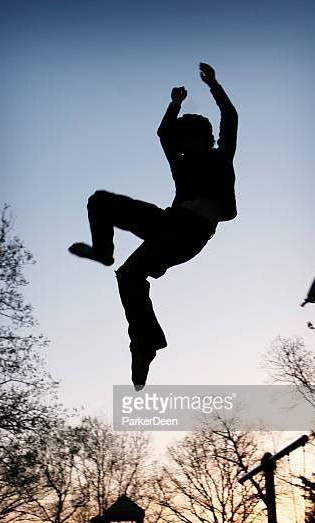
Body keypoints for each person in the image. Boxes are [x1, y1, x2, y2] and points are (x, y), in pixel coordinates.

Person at [69, 63, 238, 390]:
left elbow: (230, 117)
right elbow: (164, 134)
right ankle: (104, 252)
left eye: (192, 140)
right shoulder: (182, 163)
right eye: (184, 142)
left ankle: (143, 343)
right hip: (167, 221)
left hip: (190, 232)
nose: (186, 147)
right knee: (101, 201)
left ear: (207, 139)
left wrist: (213, 84)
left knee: (131, 275)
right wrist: (174, 105)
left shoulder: (220, 157)